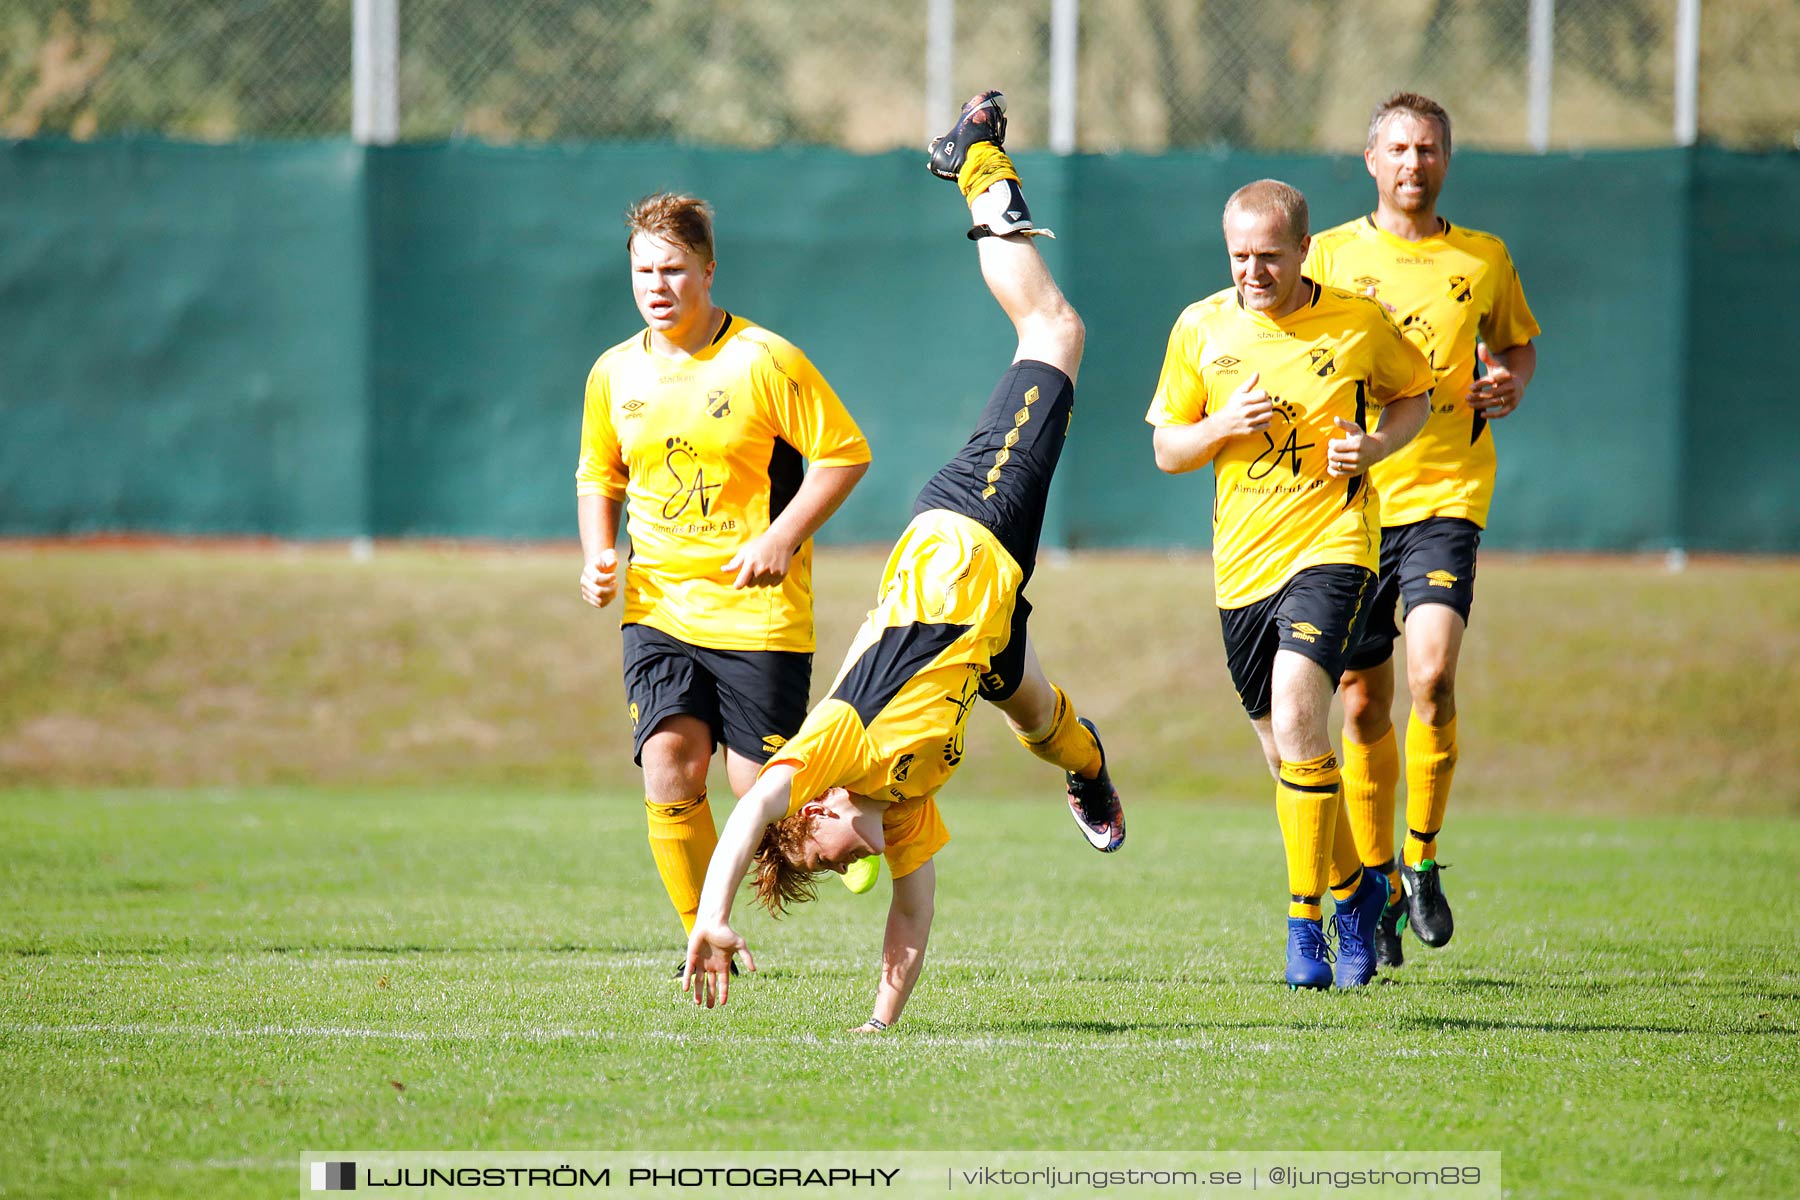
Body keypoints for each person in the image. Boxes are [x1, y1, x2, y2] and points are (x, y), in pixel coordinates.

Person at [680, 91, 1125, 1028]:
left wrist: (712, 915)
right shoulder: (905, 800)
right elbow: (913, 915)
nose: (857, 864)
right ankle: (1088, 771)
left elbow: (753, 813)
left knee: (1056, 333)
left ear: (822, 806)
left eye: (833, 856)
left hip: (967, 535)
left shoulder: (838, 745)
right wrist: (878, 1030)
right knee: (1039, 713)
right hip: (988, 617)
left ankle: (974, 164)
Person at [1147, 179, 1435, 989]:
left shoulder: (1355, 323)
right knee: (1288, 759)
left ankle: (1306, 917)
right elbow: (1168, 448)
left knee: (1305, 702)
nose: (1253, 271)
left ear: (1305, 250)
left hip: (1334, 546)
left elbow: (1414, 394)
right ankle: (1358, 886)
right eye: (1239, 256)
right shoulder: (1200, 327)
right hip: (1241, 570)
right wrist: (1219, 428)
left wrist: (1375, 449)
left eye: (1269, 257)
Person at [576, 192, 872, 961]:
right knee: (670, 760)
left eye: (673, 269)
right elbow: (597, 473)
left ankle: (854, 817)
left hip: (759, 616)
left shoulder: (763, 360)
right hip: (659, 606)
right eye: (643, 269)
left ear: (709, 269)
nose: (657, 285)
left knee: (759, 793)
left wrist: (781, 536)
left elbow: (844, 455)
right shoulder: (613, 373)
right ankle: (700, 933)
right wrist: (598, 553)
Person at [1304, 94, 1540, 966]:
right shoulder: (1324, 255)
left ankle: (1424, 859)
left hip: (1446, 494)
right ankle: (1373, 887)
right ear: (1371, 159)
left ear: (1446, 159)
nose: (1414, 162)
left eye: (1429, 148)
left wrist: (1510, 384)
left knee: (1432, 677)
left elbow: (1517, 347)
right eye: (1399, 147)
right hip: (1353, 509)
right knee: (1362, 704)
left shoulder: (1481, 258)